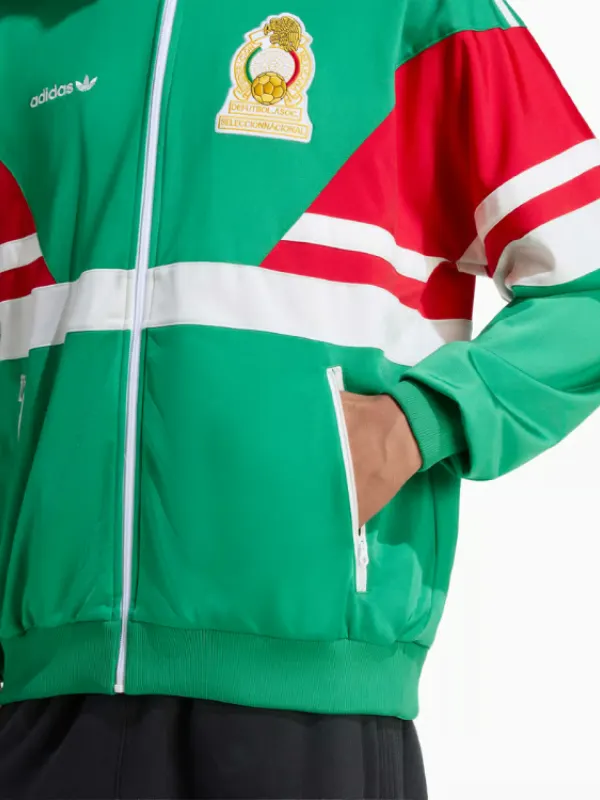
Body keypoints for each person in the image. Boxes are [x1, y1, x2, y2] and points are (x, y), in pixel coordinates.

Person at [0, 0, 599, 797]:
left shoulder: (412, 13)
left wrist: (415, 425)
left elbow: (586, 286)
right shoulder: (23, 29)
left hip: (312, 697)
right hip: (46, 690)